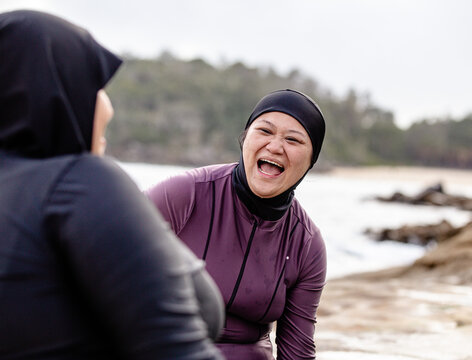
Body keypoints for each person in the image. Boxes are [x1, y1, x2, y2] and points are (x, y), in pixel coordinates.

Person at [0, 10, 224, 359]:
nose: (107, 102)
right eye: (95, 84)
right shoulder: (81, 183)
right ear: (58, 88)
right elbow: (187, 339)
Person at [147, 89, 327, 359]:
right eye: (265, 131)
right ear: (245, 139)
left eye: (293, 139)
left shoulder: (307, 244)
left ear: (311, 161)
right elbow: (103, 264)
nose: (276, 146)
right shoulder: (186, 193)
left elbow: (297, 350)